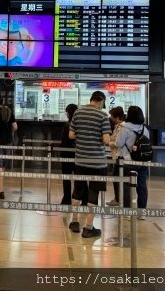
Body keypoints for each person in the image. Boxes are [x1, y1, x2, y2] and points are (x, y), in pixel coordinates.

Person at [67, 91, 111, 238]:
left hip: (80, 159)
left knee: (78, 189)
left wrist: (84, 137)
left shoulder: (78, 112)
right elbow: (106, 140)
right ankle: (88, 227)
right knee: (93, 192)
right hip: (97, 162)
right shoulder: (103, 116)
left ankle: (74, 222)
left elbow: (71, 135)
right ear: (101, 101)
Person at [115, 105, 149, 217]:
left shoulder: (124, 127)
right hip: (142, 162)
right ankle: (142, 212)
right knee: (142, 186)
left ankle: (127, 211)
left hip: (127, 161)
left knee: (126, 186)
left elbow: (118, 143)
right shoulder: (144, 129)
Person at [60, 103, 82, 205]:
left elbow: (64, 141)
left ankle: (67, 198)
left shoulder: (67, 125)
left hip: (67, 154)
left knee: (66, 178)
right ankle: (79, 197)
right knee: (79, 178)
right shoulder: (80, 125)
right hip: (78, 154)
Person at [106, 106, 125, 206]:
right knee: (115, 178)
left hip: (120, 156)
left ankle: (119, 200)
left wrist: (108, 143)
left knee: (118, 179)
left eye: (112, 117)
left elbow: (118, 142)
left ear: (118, 117)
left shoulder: (122, 127)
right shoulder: (117, 126)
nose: (111, 119)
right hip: (116, 156)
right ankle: (118, 198)